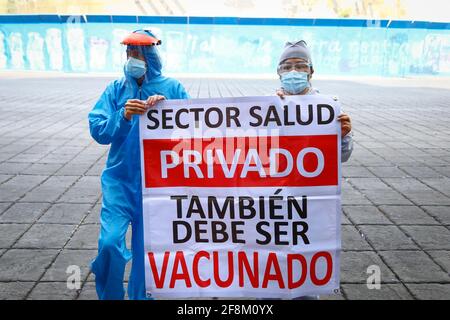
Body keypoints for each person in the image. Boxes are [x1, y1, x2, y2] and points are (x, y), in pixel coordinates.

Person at [88, 29, 189, 300]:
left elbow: (191, 134)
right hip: (119, 181)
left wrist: (169, 113)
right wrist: (122, 115)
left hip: (157, 184)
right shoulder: (116, 89)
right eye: (129, 52)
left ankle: (142, 297)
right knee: (109, 243)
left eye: (138, 53)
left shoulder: (173, 88)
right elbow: (98, 130)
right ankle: (109, 296)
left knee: (148, 251)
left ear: (151, 55)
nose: (132, 58)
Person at [274, 40, 353, 300]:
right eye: (287, 66)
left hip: (310, 202)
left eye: (299, 65)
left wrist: (343, 134)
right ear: (278, 72)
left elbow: (342, 156)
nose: (293, 71)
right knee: (270, 260)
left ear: (311, 71)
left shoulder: (327, 108)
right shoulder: (267, 105)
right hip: (274, 200)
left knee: (305, 261)